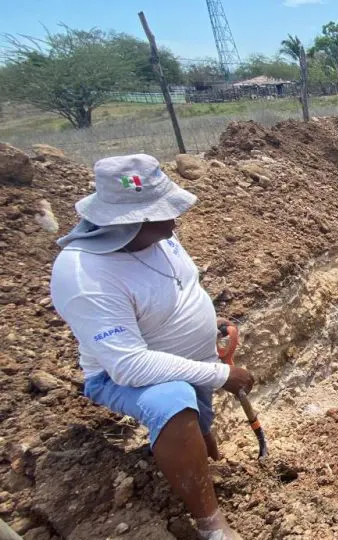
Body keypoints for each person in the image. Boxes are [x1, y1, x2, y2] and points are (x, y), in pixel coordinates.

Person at [49, 154, 253, 540]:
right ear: (131, 221)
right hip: (120, 375)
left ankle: (208, 460)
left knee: (200, 418)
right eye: (166, 211)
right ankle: (211, 523)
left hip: (189, 357)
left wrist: (210, 322)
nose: (176, 218)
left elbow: (182, 286)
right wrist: (221, 373)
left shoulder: (159, 237)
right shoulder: (84, 275)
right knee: (173, 402)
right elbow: (130, 367)